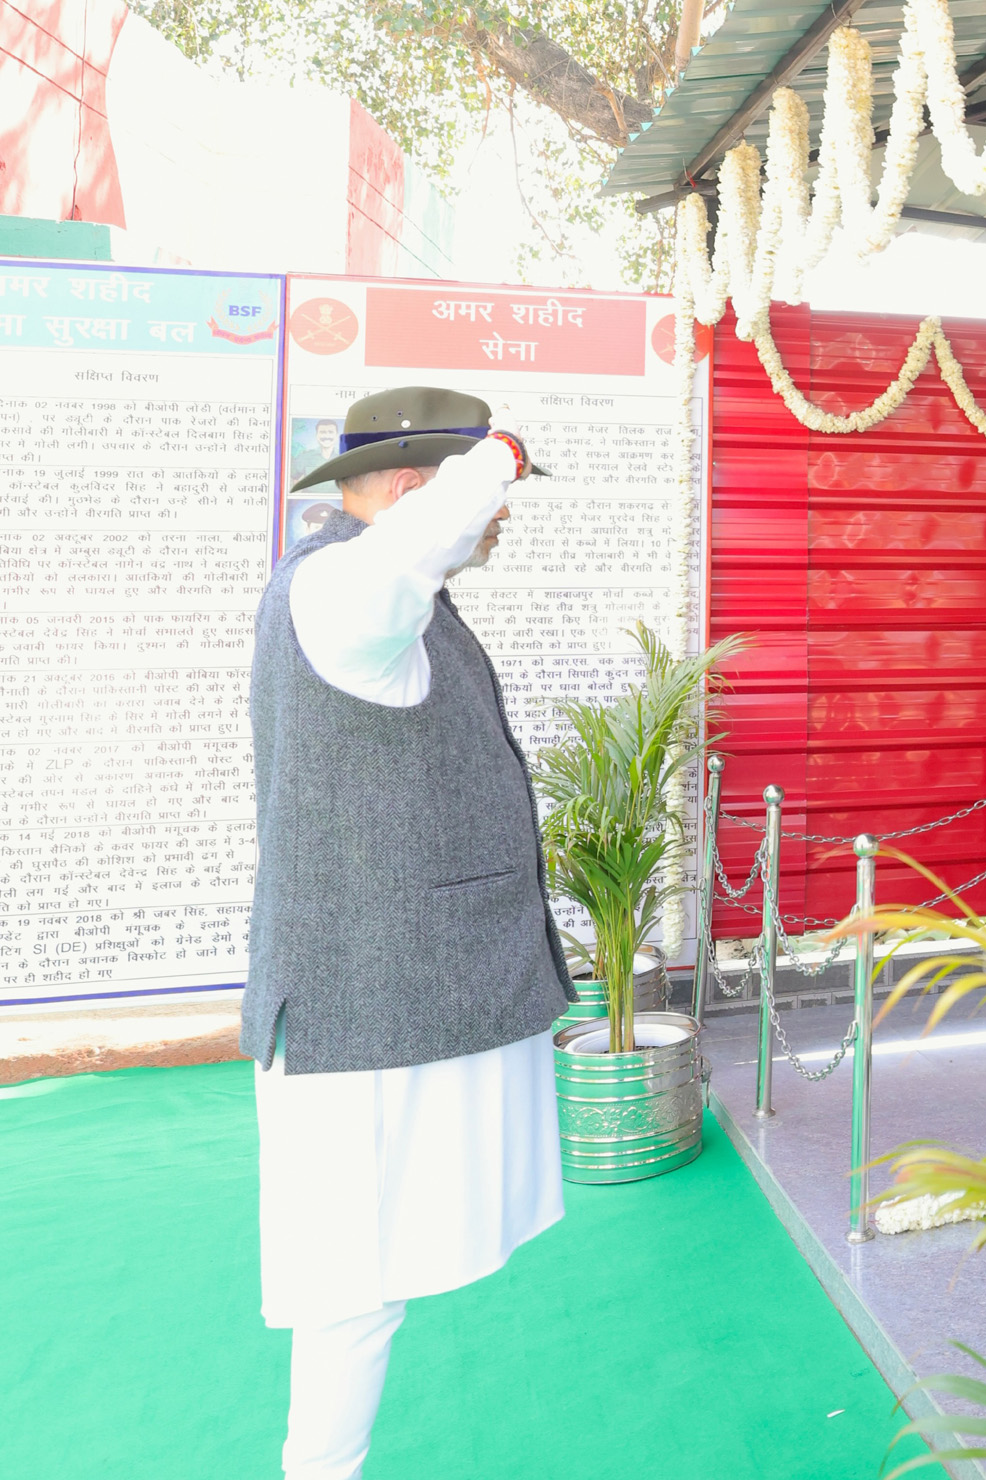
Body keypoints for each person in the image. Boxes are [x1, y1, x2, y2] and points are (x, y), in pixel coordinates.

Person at [242, 386, 570, 1480]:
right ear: (411, 488)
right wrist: (498, 453)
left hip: (383, 998)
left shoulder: (362, 590)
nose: (501, 514)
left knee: (357, 1287)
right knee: (349, 1287)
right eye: (488, 495)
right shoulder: (346, 588)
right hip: (363, 1005)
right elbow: (406, 555)